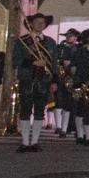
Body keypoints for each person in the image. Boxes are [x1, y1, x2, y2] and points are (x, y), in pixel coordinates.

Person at [11, 11, 59, 151]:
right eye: (37, 22)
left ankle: (35, 142)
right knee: (25, 110)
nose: (40, 24)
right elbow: (16, 61)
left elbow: (54, 63)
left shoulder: (50, 42)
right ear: (31, 24)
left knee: (40, 111)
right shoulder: (22, 41)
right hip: (27, 79)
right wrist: (32, 62)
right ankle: (25, 142)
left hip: (43, 80)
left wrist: (54, 80)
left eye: (43, 23)